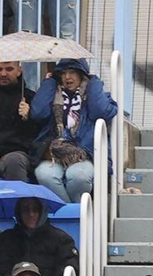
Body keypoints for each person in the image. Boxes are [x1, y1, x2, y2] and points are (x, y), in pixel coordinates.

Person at [30, 58, 118, 203]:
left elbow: (100, 112)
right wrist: (48, 84)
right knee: (44, 174)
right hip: (54, 153)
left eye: (72, 72)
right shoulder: (52, 94)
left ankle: (73, 215)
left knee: (79, 176)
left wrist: (94, 83)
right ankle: (73, 214)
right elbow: (38, 113)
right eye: (63, 73)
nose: (67, 77)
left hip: (85, 153)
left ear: (82, 74)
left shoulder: (96, 95)